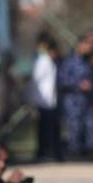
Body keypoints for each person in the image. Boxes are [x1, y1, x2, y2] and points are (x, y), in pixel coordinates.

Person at [58, 35, 93, 160]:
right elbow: (61, 81)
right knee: (74, 127)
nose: (89, 49)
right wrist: (78, 84)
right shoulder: (69, 62)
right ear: (80, 45)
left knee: (91, 125)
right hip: (73, 101)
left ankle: (89, 150)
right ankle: (74, 152)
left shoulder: (90, 63)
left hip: (88, 101)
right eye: (87, 45)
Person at [30, 33, 61, 161]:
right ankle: (44, 152)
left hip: (49, 100)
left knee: (49, 128)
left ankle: (48, 151)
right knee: (44, 128)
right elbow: (36, 80)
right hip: (44, 100)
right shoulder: (43, 61)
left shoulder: (46, 60)